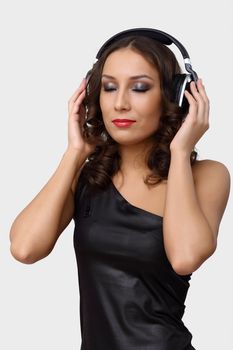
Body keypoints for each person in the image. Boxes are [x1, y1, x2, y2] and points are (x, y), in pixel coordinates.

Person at [9, 28, 231, 350]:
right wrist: (74, 153)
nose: (120, 103)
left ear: (177, 95)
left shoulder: (207, 175)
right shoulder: (89, 176)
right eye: (109, 88)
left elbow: (185, 257)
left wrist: (181, 151)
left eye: (140, 88)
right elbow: (25, 248)